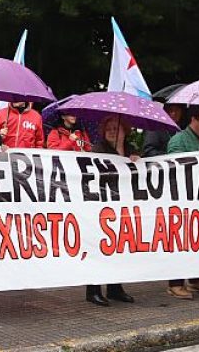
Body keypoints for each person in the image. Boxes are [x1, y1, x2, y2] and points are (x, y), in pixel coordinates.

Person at [165, 105, 199, 300]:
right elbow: (173, 165)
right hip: (181, 200)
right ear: (194, 119)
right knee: (180, 241)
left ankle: (197, 279)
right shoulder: (179, 140)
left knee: (198, 240)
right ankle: (175, 283)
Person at [85, 116, 138, 306]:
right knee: (100, 247)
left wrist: (136, 162)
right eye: (108, 128)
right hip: (102, 206)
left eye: (116, 128)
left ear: (125, 130)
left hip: (122, 205)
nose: (112, 131)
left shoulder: (130, 149)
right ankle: (93, 289)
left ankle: (115, 287)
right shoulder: (98, 149)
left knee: (118, 247)